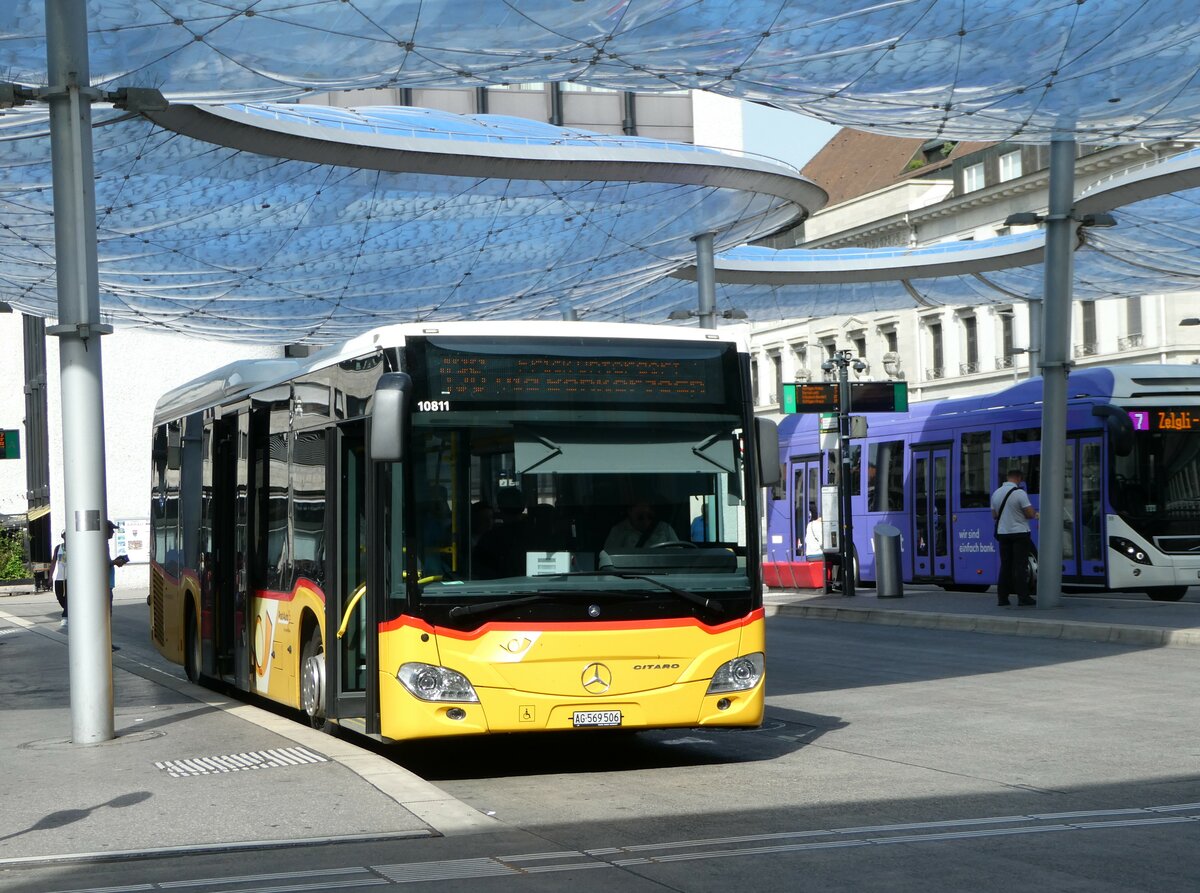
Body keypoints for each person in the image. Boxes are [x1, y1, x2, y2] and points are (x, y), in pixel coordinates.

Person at [991, 469, 1038, 607]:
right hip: (1020, 533)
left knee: (1005, 566)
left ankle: (1002, 598)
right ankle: (1023, 597)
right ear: (1019, 478)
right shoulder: (1019, 493)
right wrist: (1035, 513)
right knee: (1020, 566)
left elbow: (994, 515)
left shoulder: (996, 493)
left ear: (1007, 477)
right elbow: (1029, 514)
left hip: (1003, 534)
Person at [604, 501, 678, 551]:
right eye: (640, 517)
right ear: (630, 511)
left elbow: (678, 555)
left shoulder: (665, 528)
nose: (646, 522)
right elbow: (609, 561)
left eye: (649, 516)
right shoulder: (618, 531)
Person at [49, 530, 68, 628]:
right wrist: (50, 577)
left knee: (69, 599)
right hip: (60, 577)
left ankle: (65, 617)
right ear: (62, 536)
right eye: (65, 535)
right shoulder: (58, 548)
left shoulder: (75, 547)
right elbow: (53, 562)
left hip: (70, 578)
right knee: (60, 598)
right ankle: (70, 612)